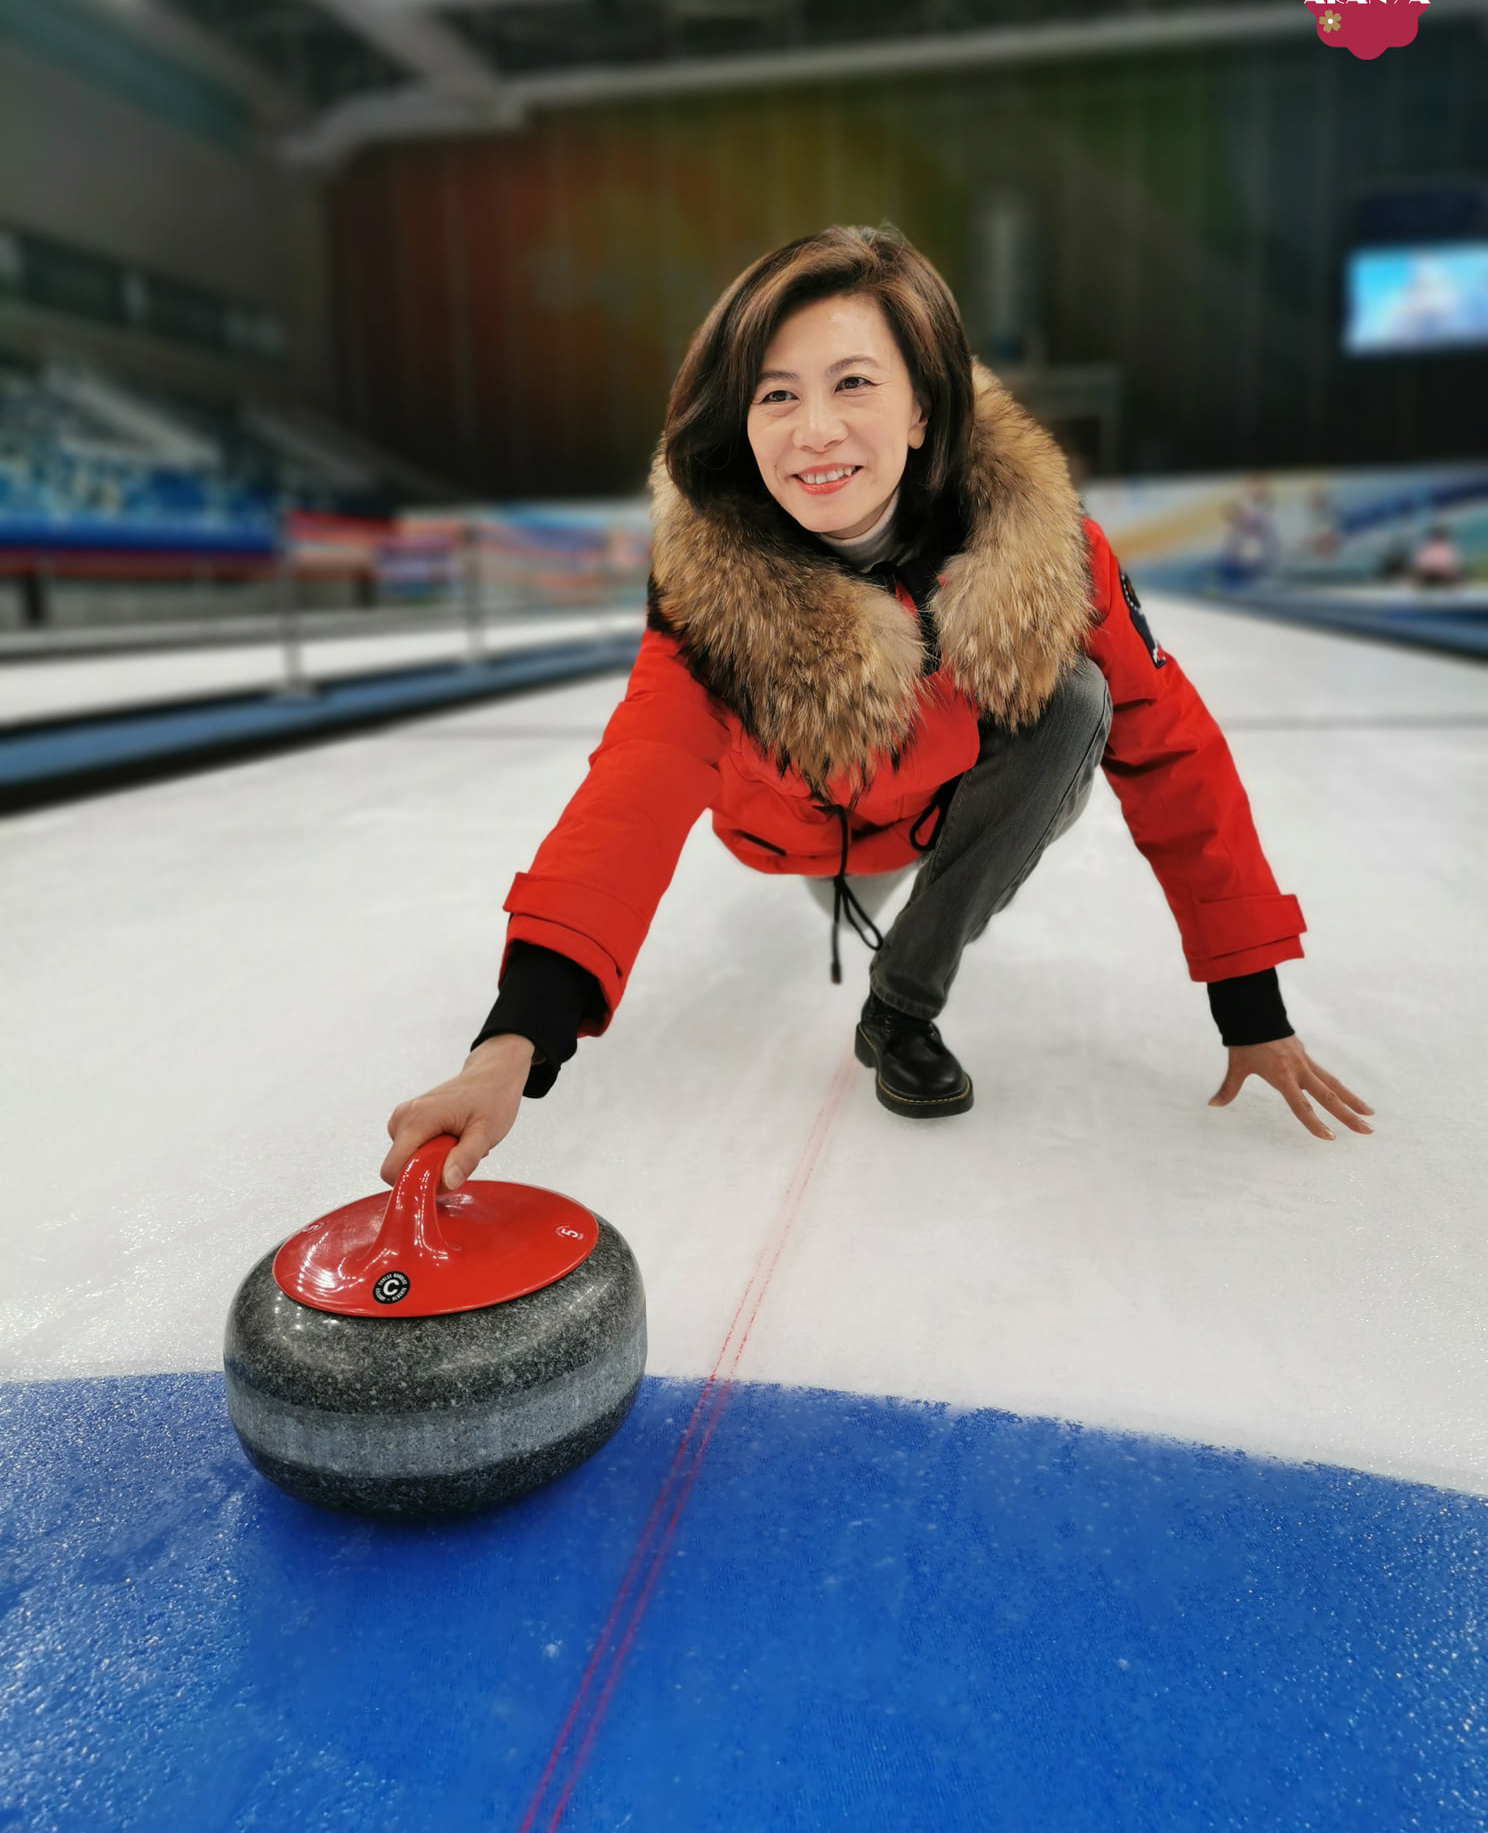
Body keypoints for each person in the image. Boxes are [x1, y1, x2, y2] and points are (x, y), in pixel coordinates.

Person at [383, 226, 1373, 1193]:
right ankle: (859, 894)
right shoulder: (709, 587)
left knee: (1080, 696)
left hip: (941, 812)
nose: (814, 430)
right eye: (777, 394)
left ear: (922, 410)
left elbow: (1172, 746)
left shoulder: (1049, 551)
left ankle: (899, 1009)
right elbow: (636, 784)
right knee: (822, 807)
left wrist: (1250, 1000)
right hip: (804, 834)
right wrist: (514, 1037)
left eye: (853, 382)